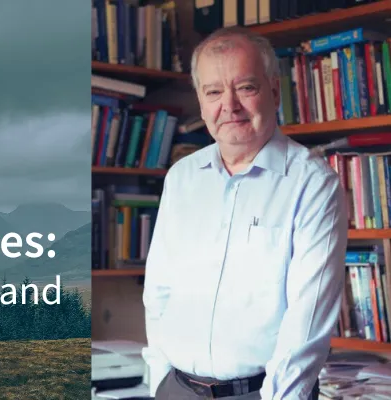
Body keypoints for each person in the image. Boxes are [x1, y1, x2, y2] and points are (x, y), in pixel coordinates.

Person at [141, 26, 348, 399]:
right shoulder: (182, 178)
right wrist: (159, 381)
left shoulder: (312, 183)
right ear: (201, 101)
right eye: (214, 92)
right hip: (177, 389)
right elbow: (159, 292)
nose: (229, 105)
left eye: (246, 88)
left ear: (274, 91)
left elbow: (308, 320)